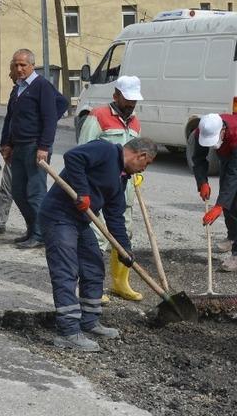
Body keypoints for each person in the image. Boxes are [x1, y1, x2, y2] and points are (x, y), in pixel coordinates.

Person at [39, 137, 157, 352]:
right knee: (66, 271)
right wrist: (82, 192)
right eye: (146, 164)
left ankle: (89, 321)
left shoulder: (121, 179)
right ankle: (68, 332)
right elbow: (73, 157)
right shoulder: (106, 150)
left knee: (93, 266)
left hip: (80, 221)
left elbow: (115, 217)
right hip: (59, 215)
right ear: (141, 155)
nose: (144, 169)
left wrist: (124, 249)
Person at [77, 75, 145, 301]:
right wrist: (84, 188)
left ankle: (120, 283)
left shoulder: (134, 121)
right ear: (116, 95)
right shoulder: (98, 116)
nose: (131, 104)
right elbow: (82, 152)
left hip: (123, 191)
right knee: (96, 237)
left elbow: (138, 154)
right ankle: (89, 285)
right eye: (127, 99)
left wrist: (137, 176)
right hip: (98, 189)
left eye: (134, 100)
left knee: (124, 234)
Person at [0, 48, 61, 249]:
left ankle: (40, 234)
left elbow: (51, 117)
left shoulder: (42, 86)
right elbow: (11, 118)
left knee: (35, 193)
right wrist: (6, 143)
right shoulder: (18, 88)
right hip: (18, 147)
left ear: (32, 66)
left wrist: (44, 146)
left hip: (35, 147)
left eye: (23, 65)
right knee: (18, 192)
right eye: (16, 65)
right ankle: (31, 228)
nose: (19, 68)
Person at [192, 112, 237, 272]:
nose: (211, 144)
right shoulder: (201, 131)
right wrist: (202, 181)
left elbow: (235, 173)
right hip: (228, 152)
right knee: (227, 191)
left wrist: (219, 205)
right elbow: (197, 158)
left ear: (223, 129)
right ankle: (232, 236)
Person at [0, 62, 18, 235]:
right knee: (7, 187)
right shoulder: (16, 91)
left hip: (31, 149)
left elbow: (59, 104)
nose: (10, 75)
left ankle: (37, 228)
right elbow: (9, 121)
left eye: (11, 71)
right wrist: (4, 144)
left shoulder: (39, 88)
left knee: (31, 192)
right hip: (13, 148)